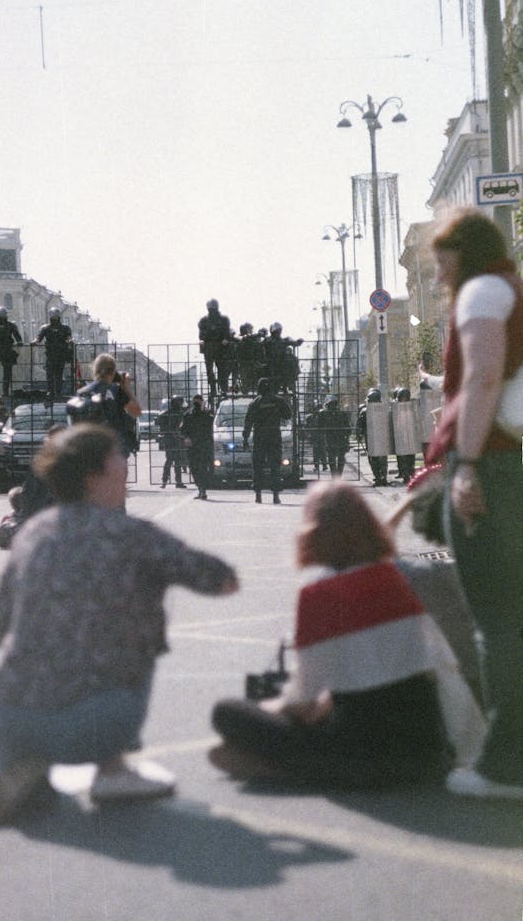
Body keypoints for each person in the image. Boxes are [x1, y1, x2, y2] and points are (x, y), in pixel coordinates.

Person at [0, 424, 239, 825]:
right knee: (133, 622)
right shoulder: (131, 535)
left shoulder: (30, 534)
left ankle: (22, 766)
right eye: (118, 457)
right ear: (94, 474)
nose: (125, 464)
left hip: (7, 718)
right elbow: (222, 580)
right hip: (95, 722)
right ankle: (111, 770)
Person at [210, 481, 485, 790]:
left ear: (313, 531)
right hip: (424, 751)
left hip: (361, 754)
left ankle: (288, 765)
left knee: (227, 713)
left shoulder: (319, 594)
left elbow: (302, 702)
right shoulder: (395, 580)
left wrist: (265, 710)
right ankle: (281, 763)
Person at [425, 207, 523, 799]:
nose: (438, 276)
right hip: (509, 462)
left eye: (442, 262)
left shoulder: (481, 292)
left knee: (498, 620)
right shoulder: (509, 287)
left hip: (493, 465)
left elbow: (483, 375)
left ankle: (505, 765)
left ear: (464, 254)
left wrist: (464, 466)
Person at [69, 353, 141, 457]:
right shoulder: (116, 391)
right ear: (113, 371)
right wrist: (126, 387)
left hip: (91, 450)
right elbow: (136, 412)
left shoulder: (82, 393)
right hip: (114, 448)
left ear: (94, 369)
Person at [242, 378, 291, 504]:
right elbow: (288, 415)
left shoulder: (255, 403)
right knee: (275, 466)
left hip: (259, 437)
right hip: (274, 436)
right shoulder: (278, 401)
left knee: (258, 466)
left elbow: (248, 422)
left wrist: (245, 438)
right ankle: (275, 496)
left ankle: (258, 495)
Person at [180, 393, 214, 500]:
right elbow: (182, 429)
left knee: (203, 468)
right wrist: (186, 438)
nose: (197, 403)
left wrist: (205, 410)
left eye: (199, 401)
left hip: (203, 446)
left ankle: (202, 489)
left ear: (202, 402)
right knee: (194, 468)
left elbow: (211, 427)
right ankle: (200, 488)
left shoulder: (207, 415)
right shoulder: (188, 415)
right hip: (192, 446)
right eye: (195, 401)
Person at [34, 308, 73, 401]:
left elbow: (68, 338)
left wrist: (70, 341)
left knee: (58, 375)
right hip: (50, 355)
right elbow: (39, 338)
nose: (54, 318)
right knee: (50, 374)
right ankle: (51, 391)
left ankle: (58, 392)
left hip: (60, 355)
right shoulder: (45, 328)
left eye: (55, 317)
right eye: (53, 317)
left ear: (59, 317)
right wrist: (35, 341)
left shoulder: (65, 328)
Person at [198, 299, 232, 404]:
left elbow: (227, 332)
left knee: (222, 369)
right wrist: (203, 341)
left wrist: (225, 339)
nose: (212, 310)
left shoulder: (223, 319)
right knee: (210, 371)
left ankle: (223, 388)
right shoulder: (204, 320)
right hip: (209, 347)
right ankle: (214, 389)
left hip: (220, 347)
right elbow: (201, 334)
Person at [356, 388, 389, 486]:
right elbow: (359, 425)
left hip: (377, 437)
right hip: (373, 437)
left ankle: (380, 477)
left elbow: (359, 426)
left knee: (375, 459)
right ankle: (381, 477)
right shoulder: (365, 411)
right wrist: (359, 434)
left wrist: (359, 434)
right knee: (379, 459)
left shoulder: (381, 409)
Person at [156, 395, 187, 488]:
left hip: (172, 439)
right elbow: (160, 424)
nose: (181, 404)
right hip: (172, 439)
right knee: (173, 460)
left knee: (173, 460)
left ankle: (169, 481)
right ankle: (172, 481)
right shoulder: (175, 414)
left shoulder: (169, 413)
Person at [317, 396, 351, 477]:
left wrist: (346, 437)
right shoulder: (324, 414)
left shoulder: (341, 414)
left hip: (338, 438)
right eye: (331, 404)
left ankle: (337, 476)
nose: (332, 406)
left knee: (339, 458)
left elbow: (347, 428)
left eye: (333, 404)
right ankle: (336, 476)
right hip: (331, 438)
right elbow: (319, 426)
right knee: (333, 458)